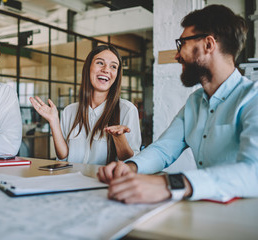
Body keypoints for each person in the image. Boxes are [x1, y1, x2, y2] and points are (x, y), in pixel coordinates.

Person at [98, 4, 258, 203]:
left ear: (208, 45)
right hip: (207, 210)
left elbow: (254, 172)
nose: (176, 55)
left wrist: (172, 184)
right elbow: (164, 149)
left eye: (182, 43)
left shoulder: (253, 99)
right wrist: (130, 167)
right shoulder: (195, 102)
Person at [30, 45, 141, 165]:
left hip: (103, 182)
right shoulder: (70, 110)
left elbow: (130, 162)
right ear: (88, 67)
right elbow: (63, 156)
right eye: (100, 63)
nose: (106, 69)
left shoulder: (127, 110)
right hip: (71, 180)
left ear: (117, 75)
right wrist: (54, 122)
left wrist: (119, 138)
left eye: (113, 66)